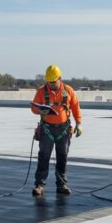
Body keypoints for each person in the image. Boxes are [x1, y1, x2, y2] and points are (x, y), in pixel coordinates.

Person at [30, 64, 82, 196]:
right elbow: (33, 108)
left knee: (62, 157)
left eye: (53, 81)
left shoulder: (68, 90)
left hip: (63, 130)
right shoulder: (42, 91)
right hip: (47, 128)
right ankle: (40, 185)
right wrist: (39, 109)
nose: (51, 84)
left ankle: (62, 185)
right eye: (49, 82)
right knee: (43, 156)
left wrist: (79, 123)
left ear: (59, 78)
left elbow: (75, 107)